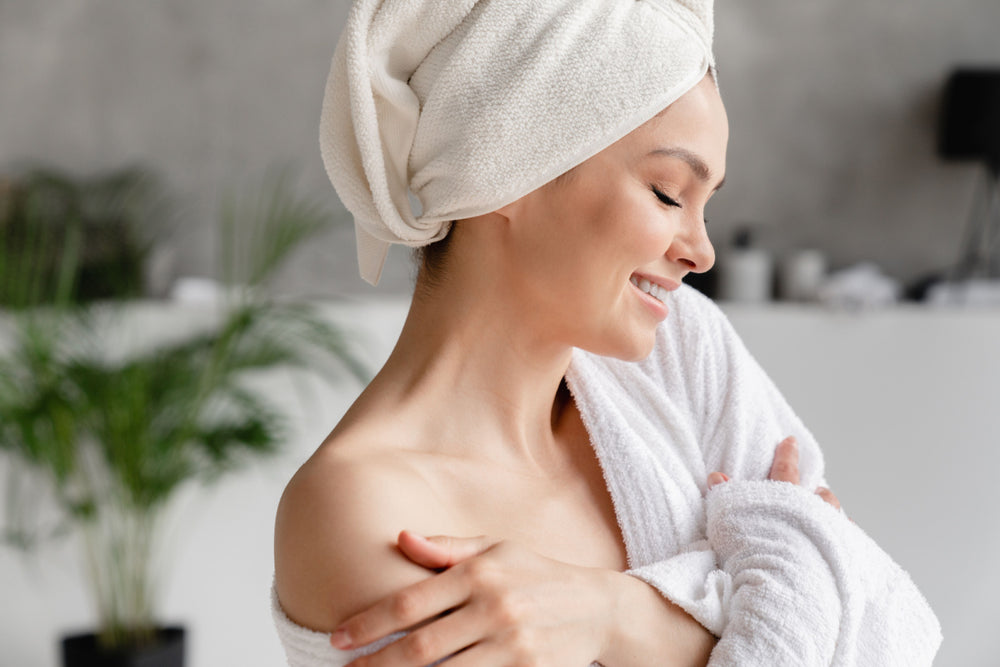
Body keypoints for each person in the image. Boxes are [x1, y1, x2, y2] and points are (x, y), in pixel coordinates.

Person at [272, 1, 942, 665]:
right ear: (506, 163)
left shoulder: (680, 348)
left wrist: (617, 617)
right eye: (669, 193)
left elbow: (889, 627)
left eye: (708, 205)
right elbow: (836, 608)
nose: (701, 251)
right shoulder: (366, 509)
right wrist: (788, 563)